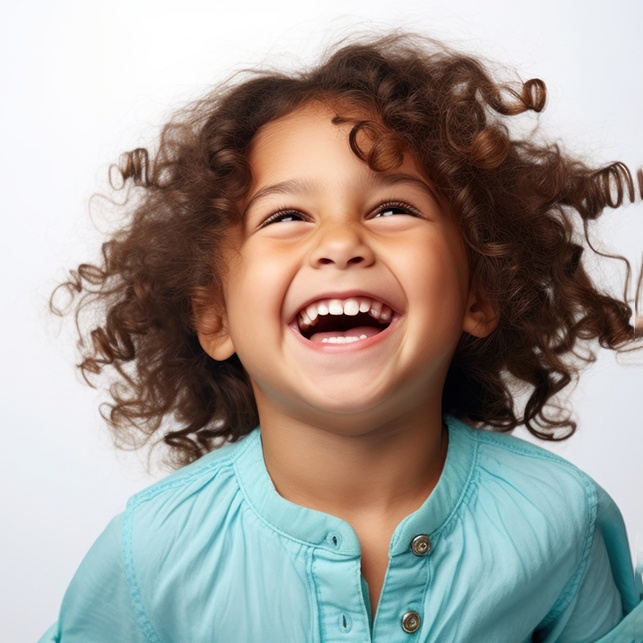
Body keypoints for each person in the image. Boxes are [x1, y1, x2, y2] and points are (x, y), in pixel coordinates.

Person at [40, 32, 643, 641]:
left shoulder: (561, 519)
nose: (339, 243)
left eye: (392, 209)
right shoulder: (151, 551)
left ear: (479, 293)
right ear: (215, 316)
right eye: (286, 217)